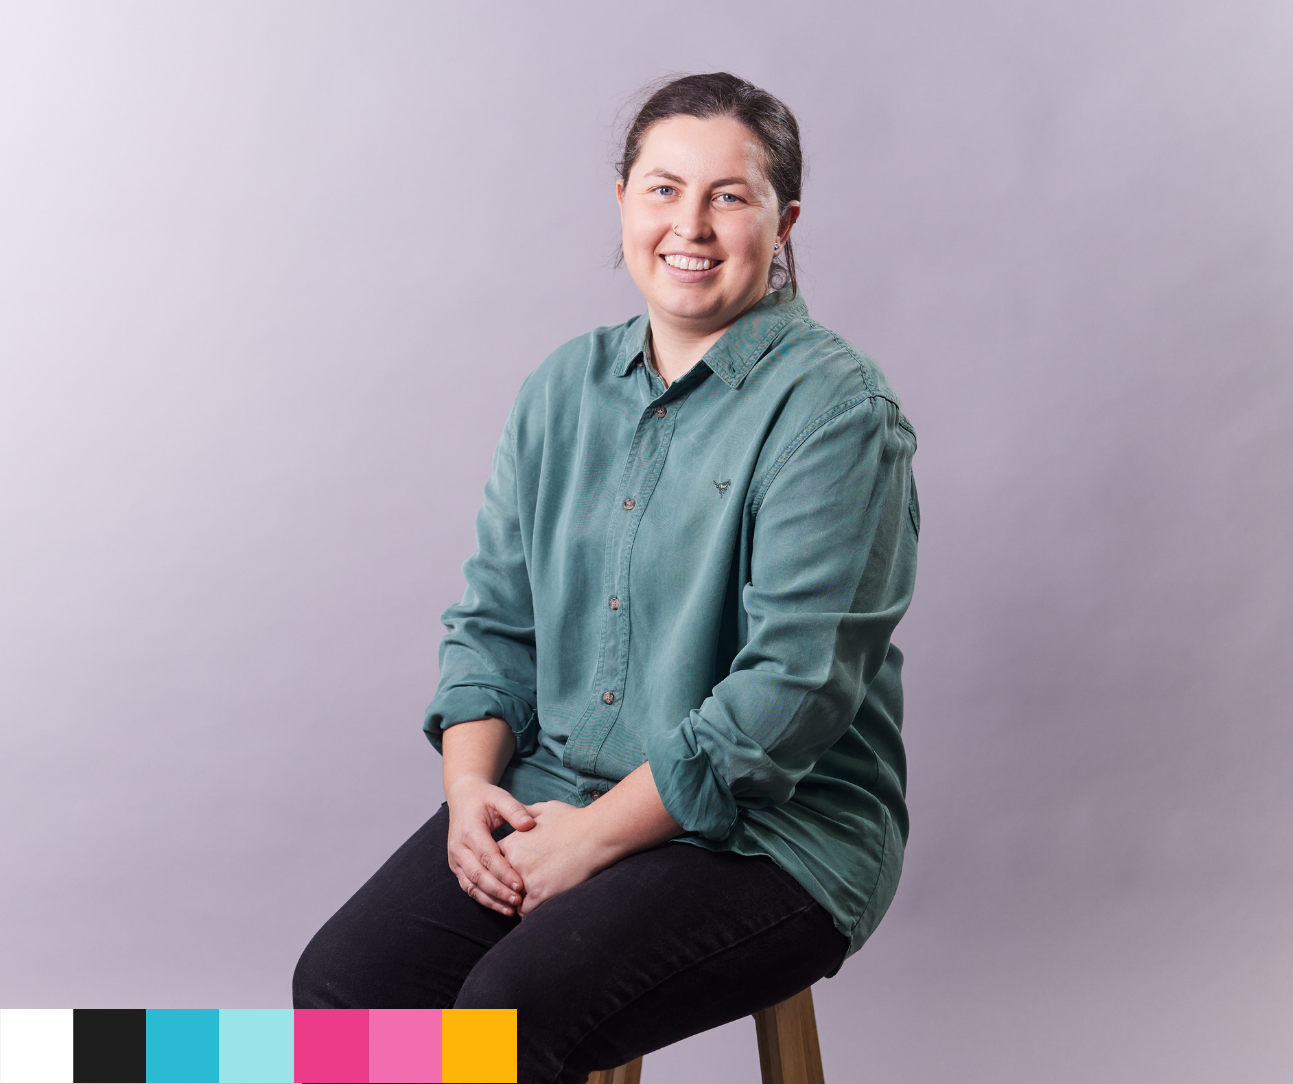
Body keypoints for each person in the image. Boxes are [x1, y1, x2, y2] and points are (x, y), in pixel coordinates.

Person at [293, 71, 919, 1084]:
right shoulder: (560, 389)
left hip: (773, 830)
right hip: (556, 787)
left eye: (729, 195)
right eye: (664, 189)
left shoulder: (837, 413)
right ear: (623, 201)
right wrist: (470, 791)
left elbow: (789, 694)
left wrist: (590, 843)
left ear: (785, 221)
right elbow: (495, 625)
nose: (690, 226)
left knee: (505, 1023)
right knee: (342, 992)